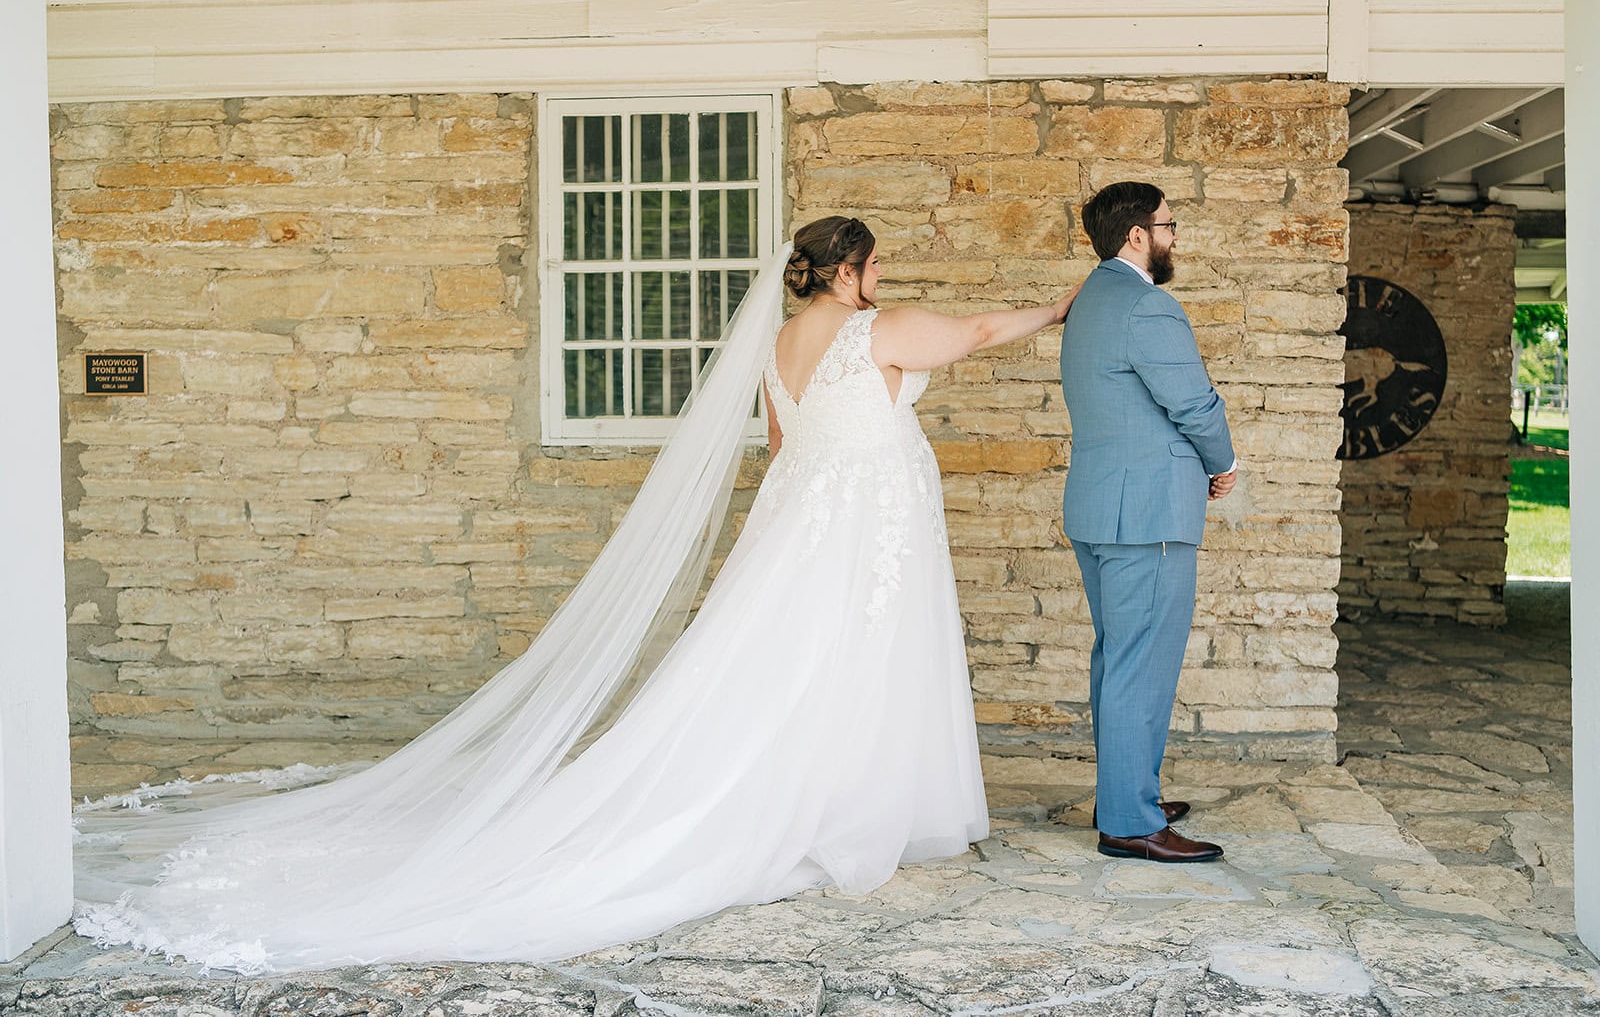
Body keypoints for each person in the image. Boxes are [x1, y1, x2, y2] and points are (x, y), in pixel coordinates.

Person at [71, 216, 1078, 973]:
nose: (880, 282)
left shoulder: (776, 347)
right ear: (851, 268)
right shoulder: (878, 325)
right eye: (874, 267)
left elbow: (780, 452)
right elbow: (983, 326)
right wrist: (1059, 306)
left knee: (789, 666)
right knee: (855, 662)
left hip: (813, 520)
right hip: (865, 527)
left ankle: (820, 798)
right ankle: (835, 811)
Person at [1058, 182, 1236, 863]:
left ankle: (1123, 794)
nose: (1174, 236)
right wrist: (1224, 463)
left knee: (1117, 659)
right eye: (1167, 224)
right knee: (1141, 664)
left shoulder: (1090, 302)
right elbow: (1194, 404)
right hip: (1148, 514)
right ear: (1137, 235)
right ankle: (1130, 820)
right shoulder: (1147, 306)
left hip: (1100, 507)